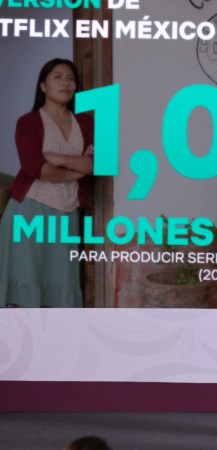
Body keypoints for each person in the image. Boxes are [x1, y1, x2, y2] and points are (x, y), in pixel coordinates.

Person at [0, 58, 94, 308]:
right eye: (57, 77)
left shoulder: (86, 123)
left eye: (71, 78)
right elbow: (36, 168)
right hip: (29, 210)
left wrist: (57, 158)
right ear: (43, 86)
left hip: (67, 210)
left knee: (62, 281)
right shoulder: (28, 122)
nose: (66, 83)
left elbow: (95, 165)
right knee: (24, 282)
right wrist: (77, 170)